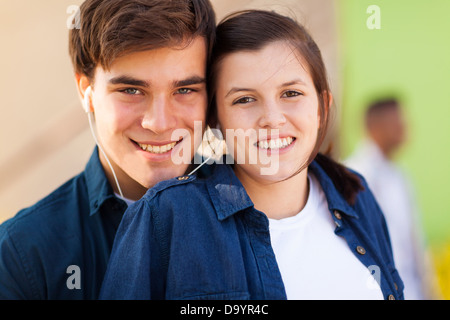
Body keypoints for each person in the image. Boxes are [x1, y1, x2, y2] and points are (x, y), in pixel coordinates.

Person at [100, 10, 404, 300]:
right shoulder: (166, 216)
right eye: (244, 99)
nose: (272, 119)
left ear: (322, 105)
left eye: (291, 93)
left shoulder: (357, 195)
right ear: (215, 118)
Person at [0, 0, 216, 299]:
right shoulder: (21, 252)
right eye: (131, 90)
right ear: (84, 91)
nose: (159, 123)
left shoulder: (258, 208)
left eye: (184, 90)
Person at [345, 98, 431, 299]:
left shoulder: (399, 175)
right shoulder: (355, 176)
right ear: (375, 127)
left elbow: (413, 243)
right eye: (397, 122)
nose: (405, 128)